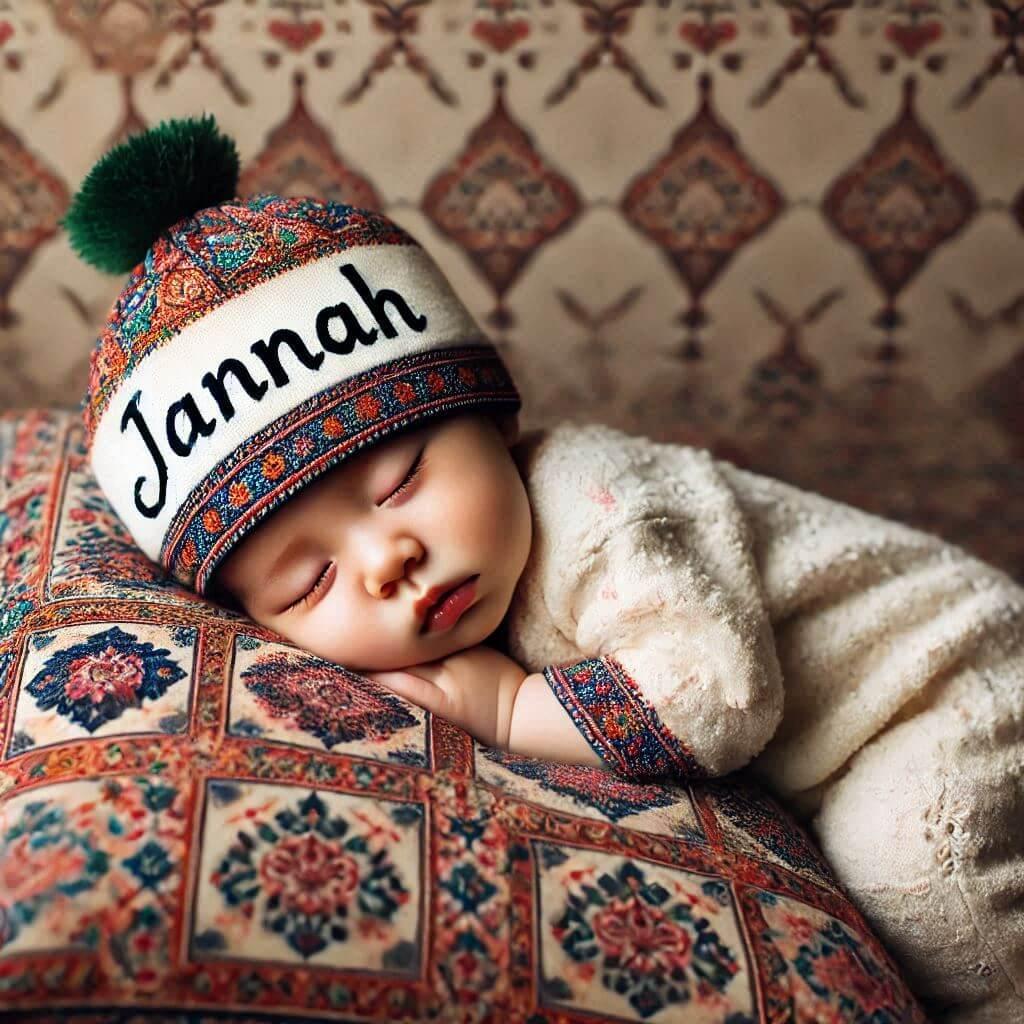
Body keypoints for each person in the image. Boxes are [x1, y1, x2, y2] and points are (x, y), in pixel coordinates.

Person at [67, 115, 1024, 1024]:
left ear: (496, 422)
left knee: (914, 865)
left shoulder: (600, 508)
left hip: (949, 679)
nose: (386, 560)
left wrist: (509, 713)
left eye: (401, 481)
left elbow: (719, 696)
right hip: (855, 737)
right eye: (308, 584)